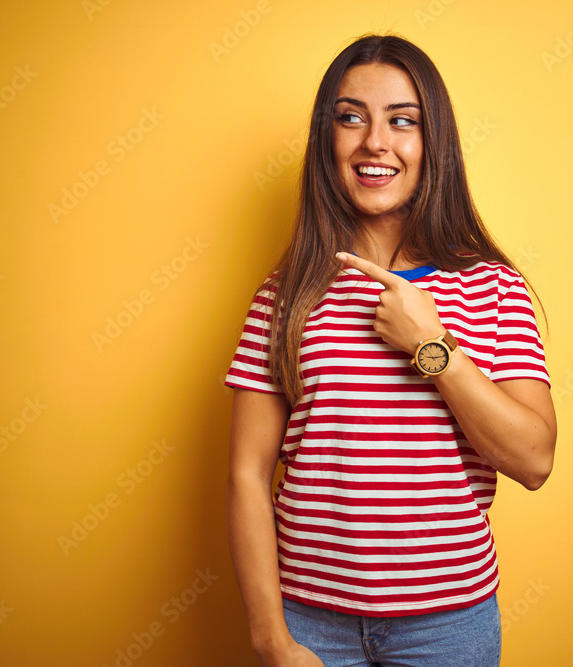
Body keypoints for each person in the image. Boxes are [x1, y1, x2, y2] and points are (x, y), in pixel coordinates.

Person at [224, 32, 556, 667]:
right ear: (329, 140)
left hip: (449, 628)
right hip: (308, 622)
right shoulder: (285, 293)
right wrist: (271, 638)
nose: (375, 142)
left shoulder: (490, 287)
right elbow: (245, 472)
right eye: (351, 118)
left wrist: (431, 347)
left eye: (403, 121)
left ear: (434, 145)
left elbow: (534, 461)